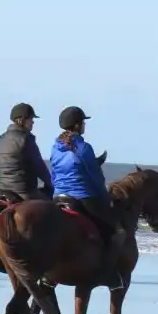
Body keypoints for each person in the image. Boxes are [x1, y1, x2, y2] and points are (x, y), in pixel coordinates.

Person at [49, 105, 125, 290]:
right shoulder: (83, 148)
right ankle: (108, 275)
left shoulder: (55, 147)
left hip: (58, 197)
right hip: (81, 197)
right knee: (118, 232)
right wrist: (105, 199)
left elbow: (53, 174)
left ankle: (48, 276)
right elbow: (96, 178)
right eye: (83, 122)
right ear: (77, 125)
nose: (84, 126)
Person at [0, 102, 53, 203]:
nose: (33, 122)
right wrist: (52, 184)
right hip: (25, 194)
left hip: (2, 192)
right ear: (22, 120)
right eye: (31, 119)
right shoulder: (26, 140)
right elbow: (40, 169)